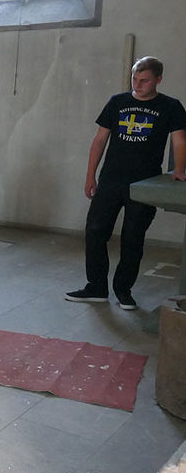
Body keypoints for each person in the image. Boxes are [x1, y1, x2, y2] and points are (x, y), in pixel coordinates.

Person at [66, 56, 186, 310]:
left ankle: (123, 291)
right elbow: (100, 140)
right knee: (95, 231)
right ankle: (96, 287)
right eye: (135, 79)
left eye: (144, 80)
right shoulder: (117, 102)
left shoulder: (171, 106)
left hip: (144, 184)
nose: (138, 84)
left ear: (158, 80)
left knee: (133, 238)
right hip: (110, 180)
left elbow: (179, 140)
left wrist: (179, 169)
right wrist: (90, 175)